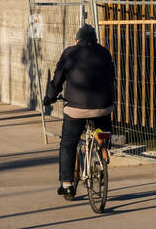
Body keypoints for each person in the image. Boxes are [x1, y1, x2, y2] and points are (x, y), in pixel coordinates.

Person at [43, 24, 115, 200]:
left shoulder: (70, 53)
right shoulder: (105, 53)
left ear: (77, 40)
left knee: (68, 143)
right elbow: (111, 76)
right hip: (103, 106)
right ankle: (103, 148)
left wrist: (50, 97)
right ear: (95, 40)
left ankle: (67, 184)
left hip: (76, 109)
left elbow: (58, 78)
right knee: (103, 129)